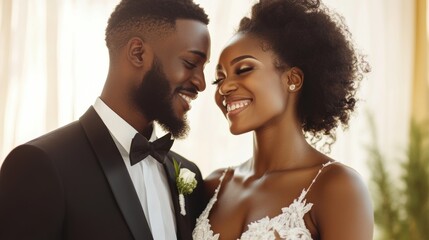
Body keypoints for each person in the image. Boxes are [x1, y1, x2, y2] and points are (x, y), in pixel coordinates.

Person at [0, 0, 210, 239]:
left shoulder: (188, 173)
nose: (201, 83)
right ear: (137, 53)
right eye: (191, 63)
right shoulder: (40, 164)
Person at [193, 0, 373, 239]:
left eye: (244, 69)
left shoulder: (337, 187)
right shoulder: (214, 186)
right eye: (219, 79)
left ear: (293, 79)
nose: (224, 87)